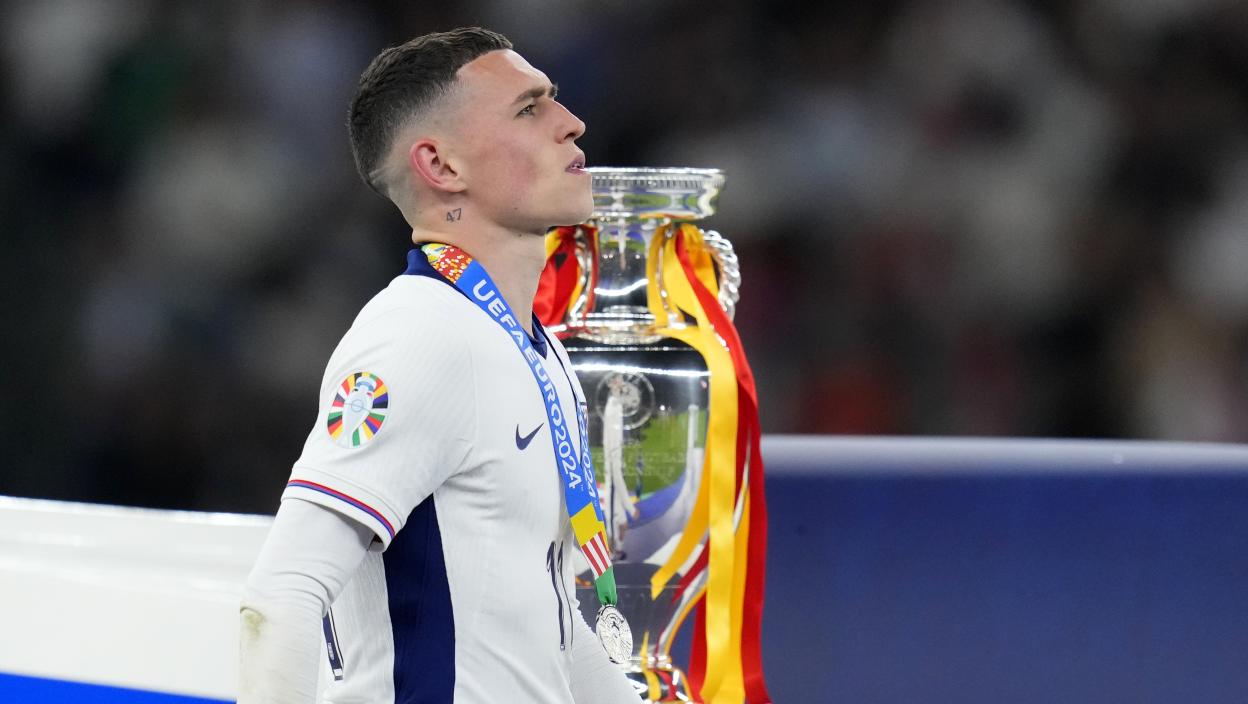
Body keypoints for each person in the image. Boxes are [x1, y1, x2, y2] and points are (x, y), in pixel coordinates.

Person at [238, 27, 640, 703]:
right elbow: (282, 596)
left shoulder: (532, 350)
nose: (572, 123)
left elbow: (547, 629)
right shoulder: (419, 336)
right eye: (529, 108)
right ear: (442, 166)